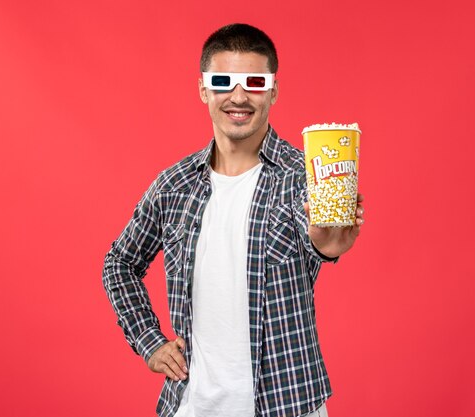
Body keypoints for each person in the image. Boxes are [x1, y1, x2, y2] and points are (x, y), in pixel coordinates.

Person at [102, 23, 365, 417]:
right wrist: (148, 340)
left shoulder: (303, 176)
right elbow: (119, 263)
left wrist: (324, 247)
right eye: (223, 81)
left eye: (255, 82)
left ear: (273, 91)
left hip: (289, 405)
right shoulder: (174, 186)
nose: (238, 96)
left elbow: (319, 236)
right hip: (192, 406)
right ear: (203, 89)